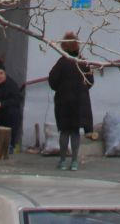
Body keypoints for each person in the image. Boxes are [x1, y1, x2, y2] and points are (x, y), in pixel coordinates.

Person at [48, 32, 94, 171]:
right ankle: (74, 161)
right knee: (75, 132)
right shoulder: (83, 63)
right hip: (80, 101)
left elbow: (52, 81)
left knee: (64, 131)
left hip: (63, 101)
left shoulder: (61, 63)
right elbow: (90, 82)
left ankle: (62, 161)